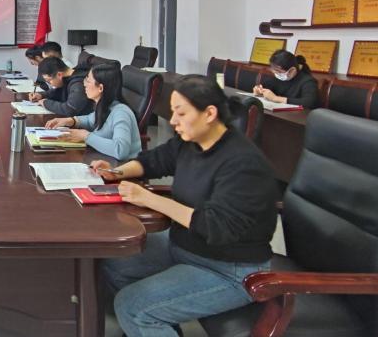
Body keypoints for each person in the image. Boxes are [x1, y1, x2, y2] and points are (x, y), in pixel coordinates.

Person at [92, 75, 278, 337]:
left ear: (209, 113)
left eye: (181, 113)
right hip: (184, 245)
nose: (173, 121)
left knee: (132, 307)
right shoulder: (191, 142)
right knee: (114, 258)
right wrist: (116, 173)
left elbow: (215, 226)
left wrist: (148, 199)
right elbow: (153, 161)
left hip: (230, 269)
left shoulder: (243, 163)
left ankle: (148, 321)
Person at [44, 64, 140, 160]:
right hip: (103, 160)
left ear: (100, 88)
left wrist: (86, 136)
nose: (84, 84)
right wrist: (72, 120)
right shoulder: (105, 105)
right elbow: (90, 120)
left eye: (88, 81)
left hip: (122, 166)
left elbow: (120, 150)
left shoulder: (121, 113)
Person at [253, 49, 320, 109]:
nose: (276, 73)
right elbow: (265, 87)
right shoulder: (277, 78)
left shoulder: (308, 81)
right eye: (273, 70)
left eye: (278, 71)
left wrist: (276, 98)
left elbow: (310, 102)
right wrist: (259, 91)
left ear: (292, 70)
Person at [28, 57, 93, 116]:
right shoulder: (69, 77)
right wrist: (41, 95)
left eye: (49, 80)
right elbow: (58, 91)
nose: (50, 84)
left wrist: (45, 103)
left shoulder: (78, 84)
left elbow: (70, 109)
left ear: (59, 74)